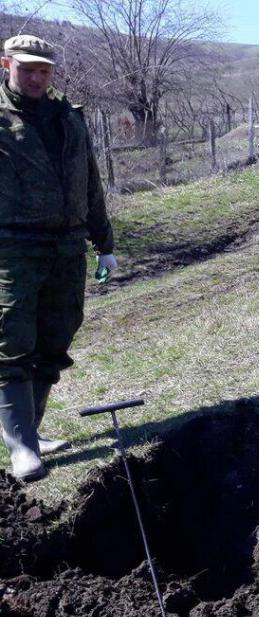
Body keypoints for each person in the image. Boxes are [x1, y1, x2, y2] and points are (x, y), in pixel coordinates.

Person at [0, 35, 118, 481]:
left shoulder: (70, 118)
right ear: (5, 64)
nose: (35, 77)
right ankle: (21, 448)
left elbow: (90, 181)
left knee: (56, 337)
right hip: (12, 249)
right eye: (26, 69)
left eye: (43, 70)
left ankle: (31, 429)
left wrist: (104, 244)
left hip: (67, 246)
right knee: (11, 342)